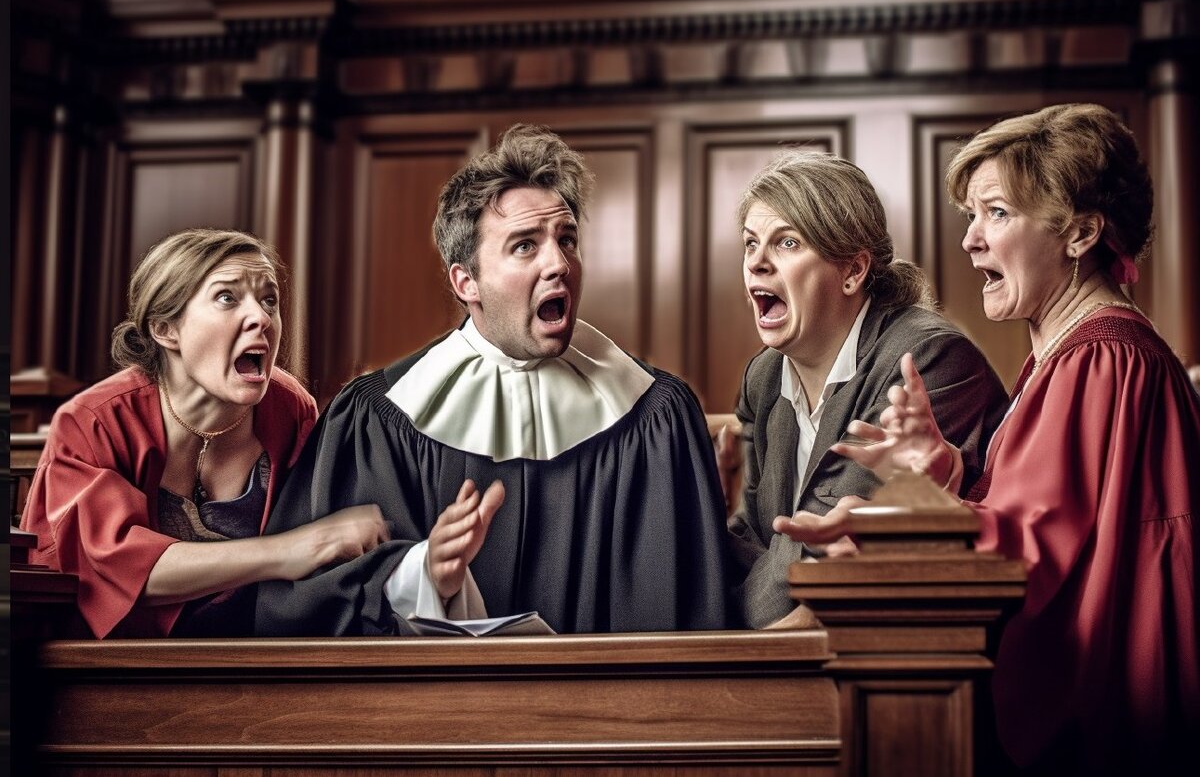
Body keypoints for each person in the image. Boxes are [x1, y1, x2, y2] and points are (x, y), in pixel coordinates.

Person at [776, 104, 1199, 772]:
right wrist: (940, 469)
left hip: (1106, 708)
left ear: (1080, 233)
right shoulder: (1069, 357)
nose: (971, 240)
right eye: (971, 215)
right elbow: (1051, 514)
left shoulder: (1100, 358)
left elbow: (1030, 548)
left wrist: (886, 526)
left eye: (997, 213)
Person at [254, 124, 730, 635]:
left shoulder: (657, 417)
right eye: (525, 246)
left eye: (567, 239)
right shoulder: (376, 421)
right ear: (467, 282)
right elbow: (307, 605)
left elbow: (696, 604)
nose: (559, 263)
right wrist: (421, 574)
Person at [21, 229, 389, 638]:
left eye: (269, 300)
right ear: (166, 328)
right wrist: (290, 550)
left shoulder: (289, 408)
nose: (262, 318)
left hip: (257, 653)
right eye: (227, 298)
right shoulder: (93, 422)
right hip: (114, 662)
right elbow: (110, 568)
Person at [728, 151, 1008, 628]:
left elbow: (827, 543)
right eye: (751, 243)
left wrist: (738, 631)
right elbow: (751, 536)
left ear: (853, 272)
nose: (756, 263)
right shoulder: (763, 377)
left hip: (908, 645)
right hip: (796, 641)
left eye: (787, 242)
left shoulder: (929, 359)